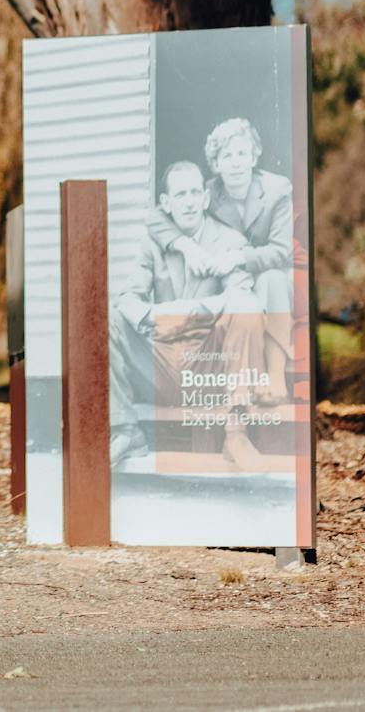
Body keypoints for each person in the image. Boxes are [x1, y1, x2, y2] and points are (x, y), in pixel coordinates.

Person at [109, 161, 267, 470]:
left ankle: (236, 434)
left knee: (247, 311)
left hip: (210, 367)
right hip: (163, 364)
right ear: (166, 203)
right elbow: (127, 299)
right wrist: (154, 317)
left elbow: (243, 298)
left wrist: (187, 312)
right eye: (181, 194)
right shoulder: (152, 245)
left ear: (206, 198)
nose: (190, 201)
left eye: (196, 192)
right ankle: (127, 430)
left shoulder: (230, 242)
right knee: (110, 318)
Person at [146, 117, 296, 400]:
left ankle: (274, 376)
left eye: (242, 153)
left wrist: (239, 257)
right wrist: (185, 246)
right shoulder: (208, 192)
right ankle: (243, 376)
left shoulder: (277, 190)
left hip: (268, 269)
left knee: (272, 282)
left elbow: (281, 250)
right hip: (227, 274)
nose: (236, 163)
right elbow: (155, 216)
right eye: (226, 156)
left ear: (255, 156)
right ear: (215, 163)